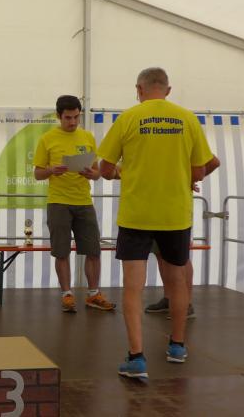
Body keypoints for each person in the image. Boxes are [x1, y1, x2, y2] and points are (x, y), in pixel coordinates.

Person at [98, 67, 214, 378]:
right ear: (168, 89)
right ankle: (177, 346)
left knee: (133, 287)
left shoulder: (128, 118)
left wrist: (124, 171)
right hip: (175, 214)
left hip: (136, 214)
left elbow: (105, 169)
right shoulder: (187, 119)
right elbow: (200, 171)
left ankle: (136, 358)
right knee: (176, 282)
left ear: (139, 89)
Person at [33, 95, 116, 313]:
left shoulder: (87, 137)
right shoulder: (47, 139)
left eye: (76, 117)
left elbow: (97, 173)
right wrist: (51, 170)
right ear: (58, 116)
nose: (73, 122)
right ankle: (67, 295)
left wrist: (91, 173)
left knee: (93, 250)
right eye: (68, 118)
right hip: (58, 202)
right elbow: (37, 173)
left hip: (84, 201)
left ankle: (94, 294)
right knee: (61, 251)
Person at [145, 156, 220, 318]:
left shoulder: (184, 139)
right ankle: (169, 298)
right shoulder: (153, 142)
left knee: (180, 257)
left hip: (177, 207)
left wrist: (189, 179)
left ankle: (186, 304)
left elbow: (214, 162)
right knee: (161, 255)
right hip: (154, 205)